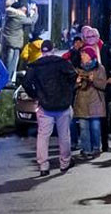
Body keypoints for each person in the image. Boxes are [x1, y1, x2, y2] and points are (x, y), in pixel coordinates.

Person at [23, 40, 77, 176]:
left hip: (45, 105)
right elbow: (73, 77)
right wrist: (68, 93)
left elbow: (26, 83)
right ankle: (65, 162)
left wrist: (36, 95)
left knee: (43, 136)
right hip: (63, 104)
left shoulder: (35, 67)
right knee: (64, 135)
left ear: (42, 51)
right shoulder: (63, 63)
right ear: (53, 49)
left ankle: (43, 166)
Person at [74, 47, 107, 159]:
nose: (82, 56)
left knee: (95, 128)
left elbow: (103, 85)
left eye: (84, 54)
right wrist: (77, 82)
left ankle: (96, 148)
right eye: (81, 55)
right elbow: (72, 86)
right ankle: (86, 149)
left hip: (95, 102)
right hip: (82, 102)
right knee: (83, 128)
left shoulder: (99, 68)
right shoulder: (78, 69)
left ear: (90, 56)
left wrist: (94, 80)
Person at [1, 1, 38, 82]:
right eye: (24, 9)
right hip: (15, 43)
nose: (25, 11)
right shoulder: (18, 16)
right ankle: (8, 81)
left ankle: (6, 80)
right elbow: (31, 21)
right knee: (12, 64)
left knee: (7, 62)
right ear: (19, 9)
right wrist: (35, 12)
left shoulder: (10, 14)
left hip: (8, 42)